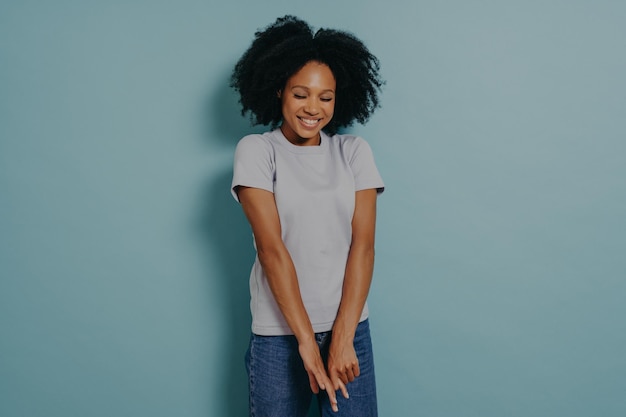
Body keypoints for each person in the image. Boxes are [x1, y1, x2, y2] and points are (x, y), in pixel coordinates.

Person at [230, 15, 384, 417]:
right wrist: (305, 343)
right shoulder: (257, 151)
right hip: (279, 337)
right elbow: (271, 249)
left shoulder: (353, 152)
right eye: (301, 94)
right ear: (279, 89)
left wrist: (343, 337)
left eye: (325, 97)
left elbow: (363, 248)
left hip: (350, 331)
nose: (313, 108)